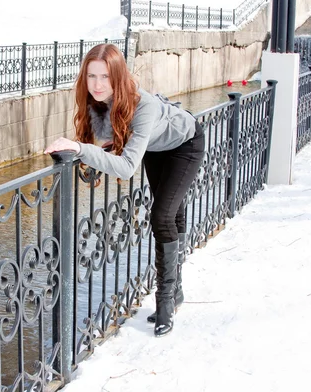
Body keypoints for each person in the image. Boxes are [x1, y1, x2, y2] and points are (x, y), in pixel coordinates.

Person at [44, 43, 205, 337]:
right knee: (172, 214)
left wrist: (79, 149)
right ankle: (176, 290)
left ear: (118, 76)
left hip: (186, 144)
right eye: (91, 76)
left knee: (162, 216)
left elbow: (127, 167)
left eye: (104, 77)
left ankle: (165, 302)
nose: (97, 84)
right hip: (155, 149)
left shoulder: (146, 106)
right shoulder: (98, 103)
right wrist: (91, 150)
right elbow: (109, 138)